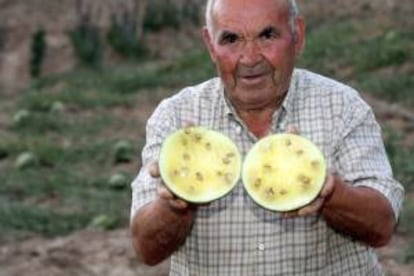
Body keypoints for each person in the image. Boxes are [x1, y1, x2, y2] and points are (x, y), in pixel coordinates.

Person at [130, 0, 404, 274]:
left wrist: (328, 191)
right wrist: (178, 200)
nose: (250, 58)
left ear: (297, 36)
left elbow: (382, 227)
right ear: (210, 45)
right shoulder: (175, 118)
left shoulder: (342, 106)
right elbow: (147, 249)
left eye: (267, 35)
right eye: (231, 39)